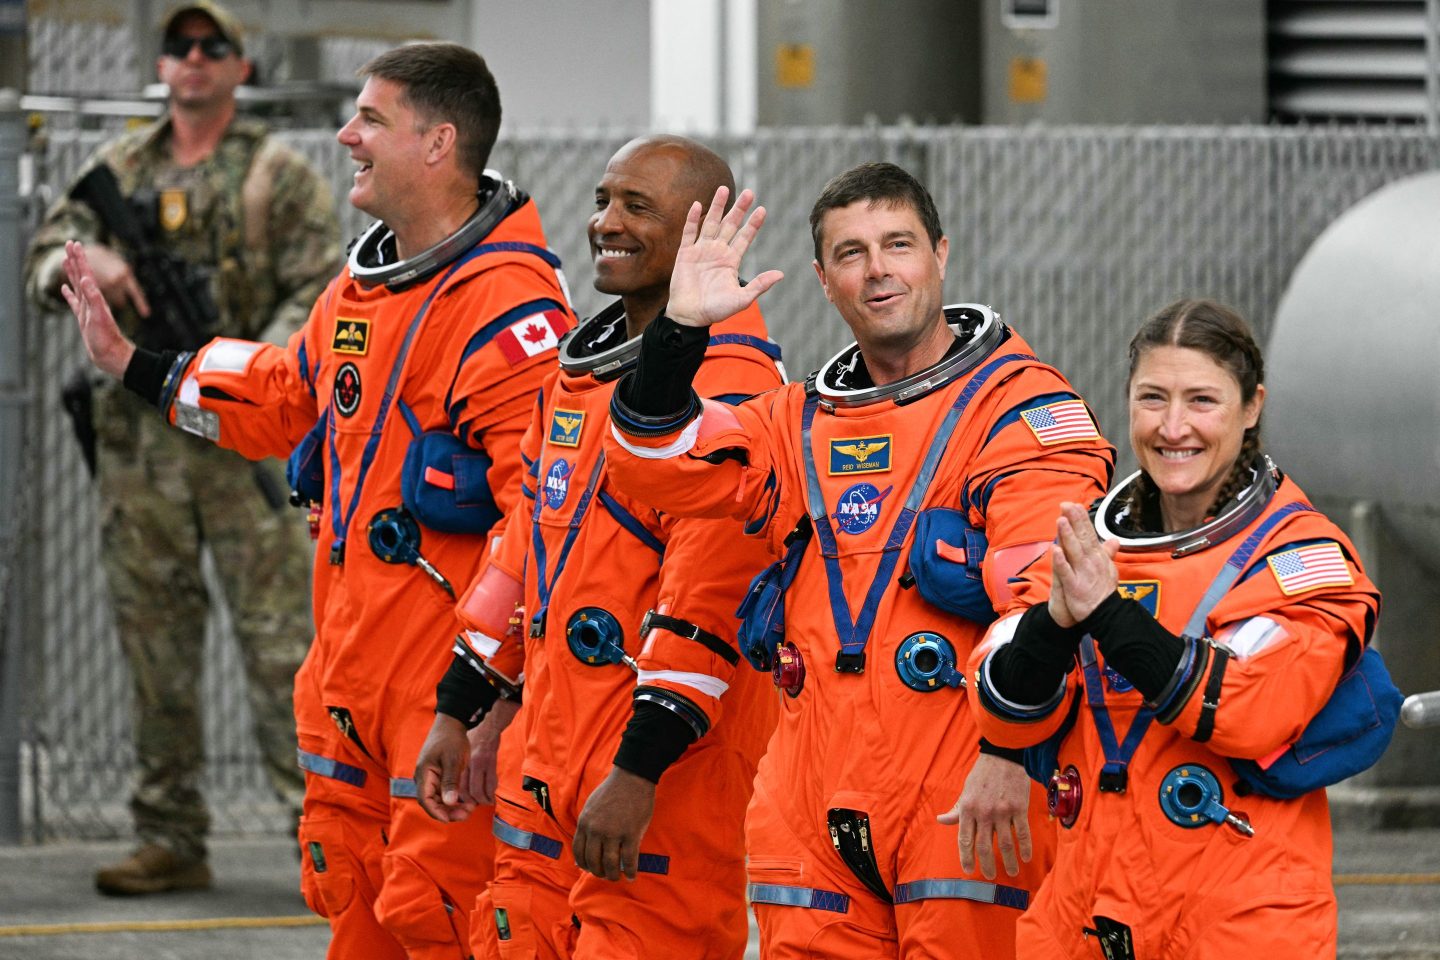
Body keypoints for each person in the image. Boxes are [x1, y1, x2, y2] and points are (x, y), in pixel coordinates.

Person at [59, 41, 574, 960]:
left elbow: (543, 529)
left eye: (371, 119)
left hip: (443, 701)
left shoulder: (509, 311)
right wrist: (129, 364)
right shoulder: (364, 290)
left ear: (437, 142)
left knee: (442, 914)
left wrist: (497, 701)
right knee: (356, 903)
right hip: (350, 685)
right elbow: (278, 391)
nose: (347, 135)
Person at [602, 162, 1116, 957]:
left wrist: (1008, 753)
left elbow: (1045, 602)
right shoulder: (794, 422)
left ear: (940, 253)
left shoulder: (1020, 410)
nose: (877, 270)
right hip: (810, 800)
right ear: (823, 280)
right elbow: (653, 459)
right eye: (851, 253)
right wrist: (679, 333)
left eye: (898, 244)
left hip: (963, 794)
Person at [412, 135, 786, 959]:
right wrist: (462, 706)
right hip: (547, 769)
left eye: (635, 207)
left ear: (696, 234)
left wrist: (639, 772)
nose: (604, 224)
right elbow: (523, 557)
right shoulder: (578, 372)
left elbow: (709, 604)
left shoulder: (734, 390)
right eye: (603, 201)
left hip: (654, 788)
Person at [24, 0, 339, 895]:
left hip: (243, 446)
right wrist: (91, 267)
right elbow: (45, 256)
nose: (193, 61)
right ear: (162, 67)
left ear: (242, 67)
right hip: (144, 452)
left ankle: (317, 831)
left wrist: (238, 380)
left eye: (213, 48)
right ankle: (170, 831)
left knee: (283, 646)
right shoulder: (115, 168)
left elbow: (317, 300)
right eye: (178, 48)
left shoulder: (277, 177)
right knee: (155, 645)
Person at [968, 299, 1382, 958]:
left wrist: (1103, 612)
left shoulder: (1300, 557)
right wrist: (1055, 621)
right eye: (1153, 398)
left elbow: (1246, 706)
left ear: (1251, 408)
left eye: (1202, 401)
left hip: (1237, 917)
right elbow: (1001, 706)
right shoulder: (1088, 543)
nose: (1174, 426)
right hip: (1084, 908)